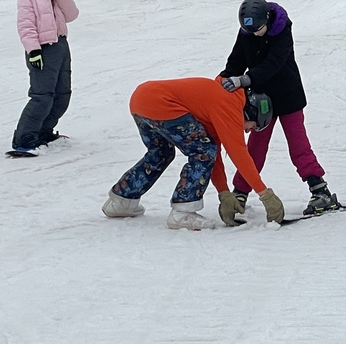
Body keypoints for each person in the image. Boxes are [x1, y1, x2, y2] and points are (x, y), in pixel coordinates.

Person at [101, 77, 285, 230]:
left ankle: (122, 200)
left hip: (141, 99)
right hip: (163, 104)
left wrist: (223, 193)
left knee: (161, 153)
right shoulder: (230, 106)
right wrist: (265, 194)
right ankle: (183, 211)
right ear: (250, 112)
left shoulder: (220, 101)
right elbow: (238, 153)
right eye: (252, 126)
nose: (248, 131)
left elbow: (216, 151)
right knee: (202, 151)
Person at [219, 0, 340, 216]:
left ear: (267, 20)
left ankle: (320, 190)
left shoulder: (282, 30)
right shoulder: (248, 31)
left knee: (298, 144)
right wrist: (221, 82)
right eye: (251, 31)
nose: (255, 34)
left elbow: (274, 63)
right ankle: (240, 192)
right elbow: (236, 62)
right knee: (255, 147)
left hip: (288, 96)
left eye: (259, 29)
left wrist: (245, 80)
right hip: (261, 101)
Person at [11, 0, 79, 155]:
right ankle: (24, 138)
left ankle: (43, 132)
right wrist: (33, 50)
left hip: (60, 46)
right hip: (41, 50)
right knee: (42, 96)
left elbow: (72, 15)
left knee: (62, 95)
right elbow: (26, 26)